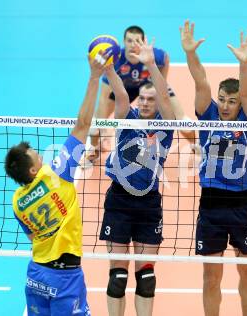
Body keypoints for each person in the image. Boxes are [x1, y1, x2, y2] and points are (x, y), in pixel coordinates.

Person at [5, 53, 108, 315]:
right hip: (65, 277)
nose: (41, 155)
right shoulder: (57, 175)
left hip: (37, 273)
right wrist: (95, 77)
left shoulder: (17, 201)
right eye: (36, 156)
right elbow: (83, 124)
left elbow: (31, 235)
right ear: (32, 169)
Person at [181, 20, 247, 316]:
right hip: (211, 203)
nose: (226, 106)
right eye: (223, 100)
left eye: (232, 101)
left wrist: (244, 64)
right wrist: (190, 54)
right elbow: (200, 80)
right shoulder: (209, 114)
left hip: (242, 203)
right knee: (211, 276)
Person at [98, 37, 175, 316]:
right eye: (141, 98)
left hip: (148, 204)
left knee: (146, 277)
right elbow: (119, 94)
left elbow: (166, 97)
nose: (144, 103)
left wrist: (152, 65)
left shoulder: (166, 127)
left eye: (150, 100)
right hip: (119, 201)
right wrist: (107, 69)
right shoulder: (126, 116)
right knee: (117, 278)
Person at [86, 25, 194, 165]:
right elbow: (104, 95)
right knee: (96, 123)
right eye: (129, 41)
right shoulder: (115, 60)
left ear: (143, 42)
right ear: (123, 42)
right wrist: (103, 124)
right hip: (124, 89)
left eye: (137, 41)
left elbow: (165, 59)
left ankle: (196, 146)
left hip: (149, 87)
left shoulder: (155, 55)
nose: (132, 45)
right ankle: (93, 151)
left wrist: (161, 85)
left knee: (181, 120)